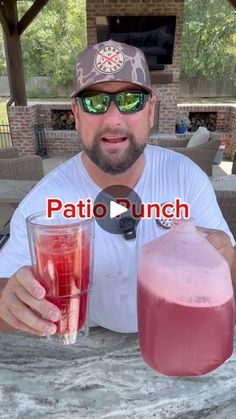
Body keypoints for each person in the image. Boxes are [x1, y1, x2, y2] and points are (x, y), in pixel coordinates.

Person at [0, 40, 235, 335]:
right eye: (94, 102)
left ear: (150, 111)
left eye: (130, 101)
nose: (112, 120)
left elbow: (229, 274)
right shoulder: (45, 201)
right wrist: (8, 301)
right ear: (76, 114)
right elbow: (6, 285)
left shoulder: (186, 179)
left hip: (175, 335)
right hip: (85, 346)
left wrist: (226, 263)